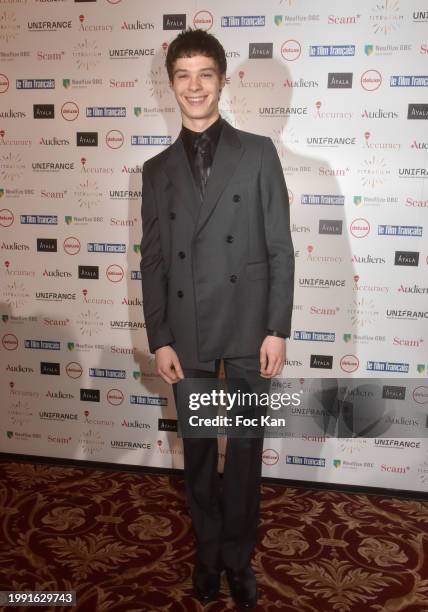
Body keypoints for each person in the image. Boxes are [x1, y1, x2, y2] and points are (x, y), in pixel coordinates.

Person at [140, 28, 294, 609]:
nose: (195, 86)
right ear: (171, 84)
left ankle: (238, 557)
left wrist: (277, 326)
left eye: (206, 73)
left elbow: (280, 246)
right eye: (184, 75)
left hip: (251, 327)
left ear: (223, 81)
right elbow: (152, 260)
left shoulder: (257, 152)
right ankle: (208, 555)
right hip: (190, 331)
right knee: (201, 453)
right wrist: (160, 338)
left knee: (247, 448)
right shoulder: (156, 170)